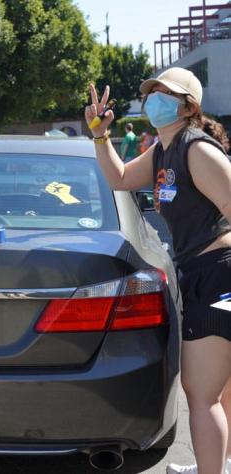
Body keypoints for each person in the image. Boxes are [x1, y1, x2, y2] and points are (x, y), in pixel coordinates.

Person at [85, 67, 231, 474]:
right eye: (152, 92)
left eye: (166, 93)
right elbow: (120, 178)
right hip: (209, 273)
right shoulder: (165, 150)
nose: (154, 99)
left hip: (218, 274)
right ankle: (217, 464)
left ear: (188, 106)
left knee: (200, 393)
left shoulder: (196, 150)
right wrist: (100, 135)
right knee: (221, 389)